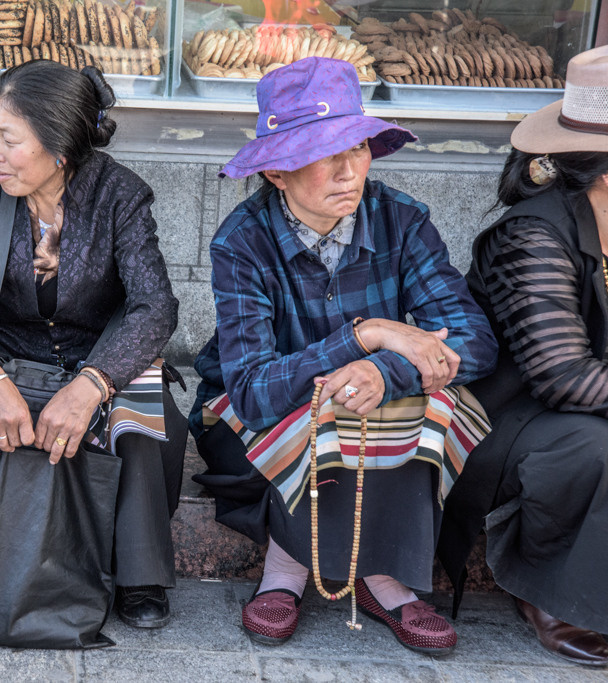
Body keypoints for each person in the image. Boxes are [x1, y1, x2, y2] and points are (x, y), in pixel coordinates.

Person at [188, 57, 498, 654]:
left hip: (367, 405)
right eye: (325, 155)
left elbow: (473, 339)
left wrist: (386, 369)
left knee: (431, 403)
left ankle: (380, 572)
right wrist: (366, 335)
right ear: (277, 172)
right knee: (309, 411)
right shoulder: (241, 241)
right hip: (265, 413)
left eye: (356, 148)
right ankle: (289, 566)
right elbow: (253, 390)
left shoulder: (401, 221)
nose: (349, 170)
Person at [0, 60, 186, 630]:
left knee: (150, 413)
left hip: (91, 360)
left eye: (9, 139)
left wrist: (92, 384)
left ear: (58, 146)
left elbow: (156, 307)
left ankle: (137, 570)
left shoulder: (119, 196)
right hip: (2, 354)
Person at [439, 45, 608, 667]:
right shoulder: (532, 236)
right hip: (508, 417)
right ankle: (554, 593)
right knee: (595, 448)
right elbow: (563, 377)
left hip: (587, 403)